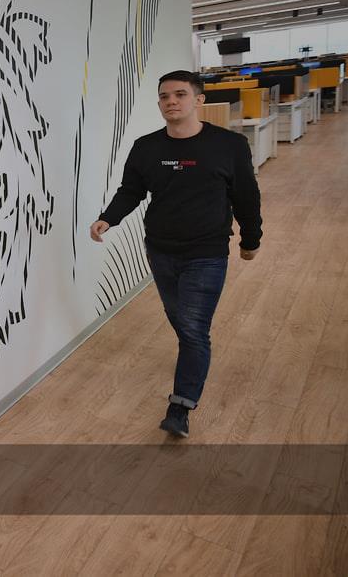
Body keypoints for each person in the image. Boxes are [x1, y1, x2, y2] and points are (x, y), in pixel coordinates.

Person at [89, 70, 262, 438]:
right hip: (160, 250)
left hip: (207, 252)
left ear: (199, 100)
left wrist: (251, 239)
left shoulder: (229, 145)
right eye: (165, 96)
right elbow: (131, 190)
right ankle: (191, 357)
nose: (171, 101)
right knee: (180, 319)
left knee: (194, 328)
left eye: (180, 94)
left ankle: (180, 406)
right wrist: (108, 218)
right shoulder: (146, 147)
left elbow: (246, 196)